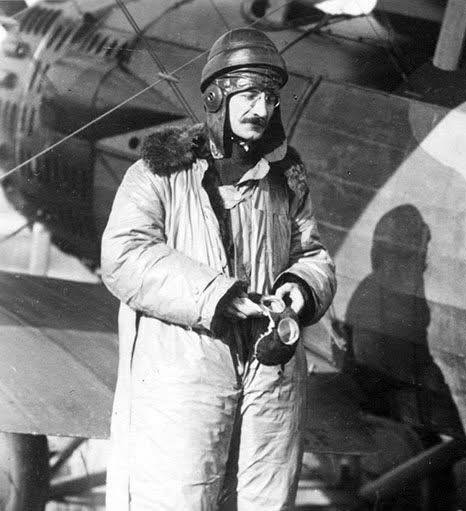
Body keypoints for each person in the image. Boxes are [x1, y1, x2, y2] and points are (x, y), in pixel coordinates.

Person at [101, 28, 336, 510]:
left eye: (269, 97)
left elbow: (311, 254)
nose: (261, 109)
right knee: (177, 498)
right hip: (185, 371)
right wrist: (218, 295)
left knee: (265, 501)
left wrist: (299, 287)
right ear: (215, 97)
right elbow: (123, 255)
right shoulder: (159, 172)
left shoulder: (284, 180)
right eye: (248, 95)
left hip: (271, 373)